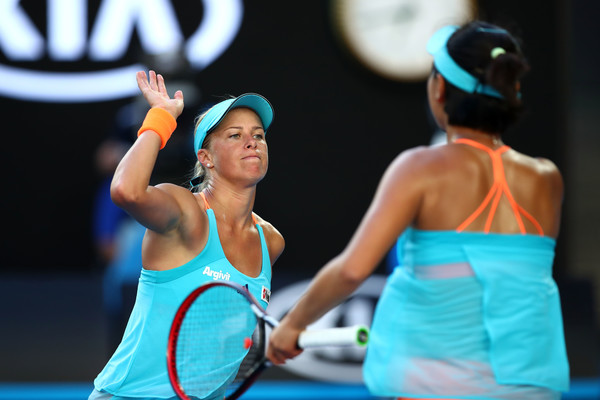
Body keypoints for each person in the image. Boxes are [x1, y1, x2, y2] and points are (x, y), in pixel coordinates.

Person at [267, 21, 568, 400]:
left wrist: (292, 324)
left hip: (435, 388)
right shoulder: (548, 178)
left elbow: (353, 269)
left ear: (439, 89)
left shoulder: (418, 168)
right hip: (533, 389)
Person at [89, 70, 285, 400]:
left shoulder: (271, 241)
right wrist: (161, 119)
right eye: (235, 135)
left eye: (259, 135)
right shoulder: (184, 211)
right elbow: (125, 192)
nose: (252, 141)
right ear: (205, 158)